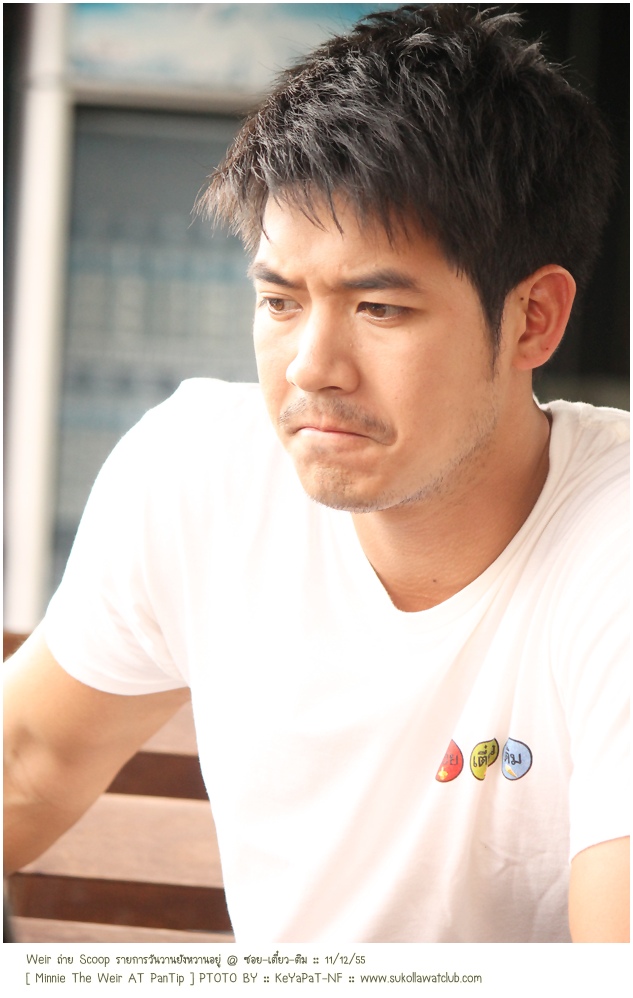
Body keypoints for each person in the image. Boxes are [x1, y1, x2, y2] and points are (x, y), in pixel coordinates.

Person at [4, 4, 629, 943]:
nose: (309, 369)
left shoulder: (613, 549)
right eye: (279, 301)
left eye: (379, 309)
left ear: (532, 319)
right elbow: (27, 763)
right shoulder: (197, 471)